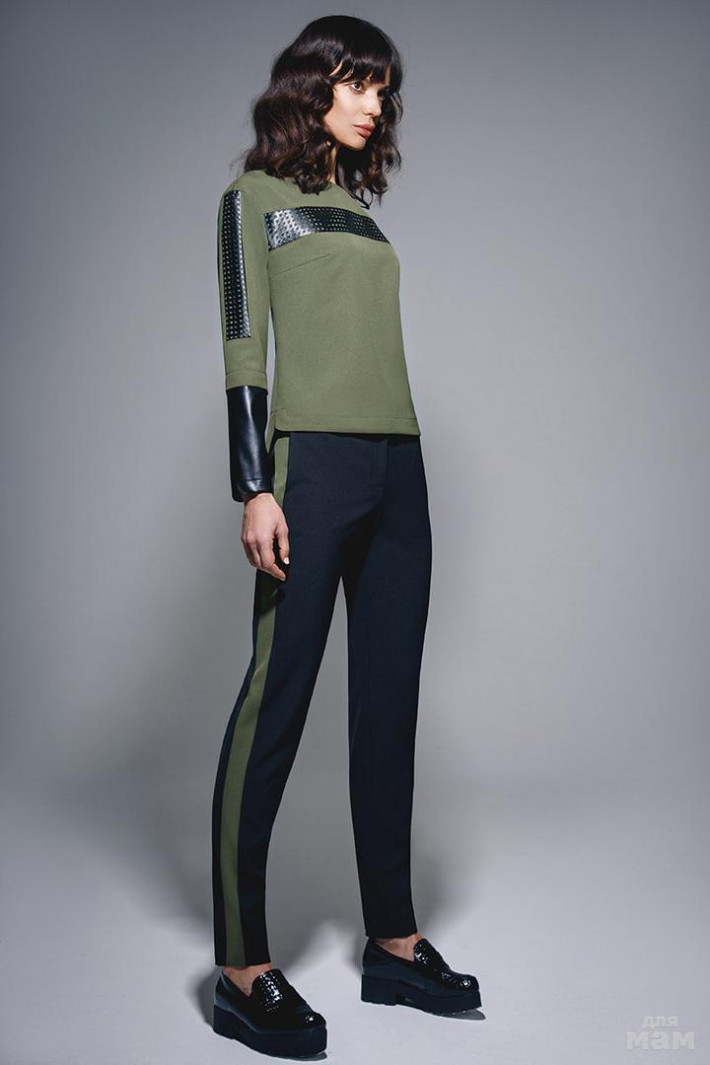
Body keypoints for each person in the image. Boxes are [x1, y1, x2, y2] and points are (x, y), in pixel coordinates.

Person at [210, 15, 481, 1056]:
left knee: (387, 705)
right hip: (308, 470)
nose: (375, 103)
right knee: (273, 702)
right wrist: (254, 484)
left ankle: (393, 943)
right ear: (310, 85)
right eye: (358, 82)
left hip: (398, 467)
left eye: (383, 89)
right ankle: (241, 967)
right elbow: (244, 343)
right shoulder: (251, 200)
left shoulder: (360, 214)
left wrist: (396, 467)